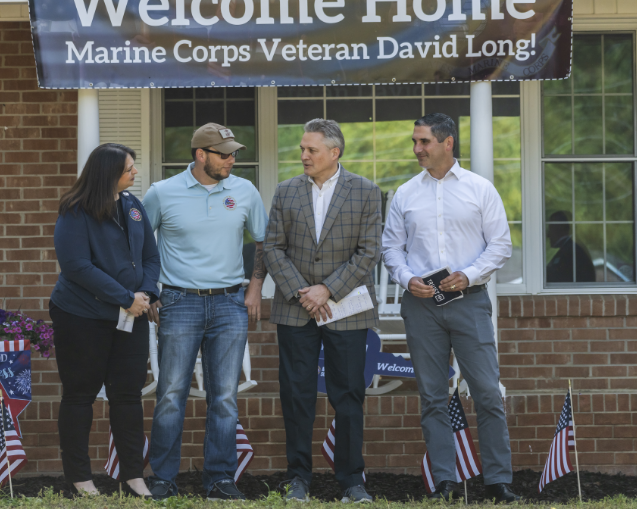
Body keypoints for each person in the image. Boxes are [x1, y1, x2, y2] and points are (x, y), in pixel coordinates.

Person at [381, 113, 520, 503]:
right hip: (420, 306)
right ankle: (444, 481)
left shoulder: (480, 189)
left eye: (423, 142)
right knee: (432, 396)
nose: (417, 149)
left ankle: (497, 481)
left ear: (447, 143)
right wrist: (407, 278)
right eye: (414, 141)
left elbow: (500, 245)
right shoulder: (406, 193)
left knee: (488, 392)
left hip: (469, 302)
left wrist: (470, 274)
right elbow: (391, 247)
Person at [143, 123, 268, 501]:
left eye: (233, 153)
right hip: (179, 302)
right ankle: (163, 478)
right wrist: (150, 292)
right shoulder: (161, 193)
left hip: (230, 303)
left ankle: (219, 478)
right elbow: (140, 248)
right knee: (171, 393)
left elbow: (263, 242)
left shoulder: (244, 190)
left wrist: (255, 286)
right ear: (200, 155)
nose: (232, 159)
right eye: (224, 153)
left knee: (225, 397)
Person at [264, 119, 381, 504]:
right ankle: (298, 479)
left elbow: (368, 253)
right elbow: (272, 248)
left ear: (335, 152)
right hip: (296, 310)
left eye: (311, 150)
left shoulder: (365, 192)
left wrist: (327, 289)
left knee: (348, 395)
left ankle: (351, 481)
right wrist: (305, 294)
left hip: (347, 310)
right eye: (302, 149)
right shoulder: (285, 191)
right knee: (296, 395)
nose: (303, 156)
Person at [50, 143, 160, 497]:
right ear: (108, 172)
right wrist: (125, 298)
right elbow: (77, 267)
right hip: (82, 315)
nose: (135, 173)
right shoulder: (75, 210)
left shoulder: (133, 206)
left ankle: (132, 476)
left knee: (128, 395)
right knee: (80, 395)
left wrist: (144, 295)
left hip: (132, 315)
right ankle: (79, 479)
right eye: (129, 168)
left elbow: (150, 257)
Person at [545, 211, 596, 283]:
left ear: (560, 228)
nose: (548, 235)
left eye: (551, 228)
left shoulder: (571, 252)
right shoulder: (571, 250)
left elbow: (558, 278)